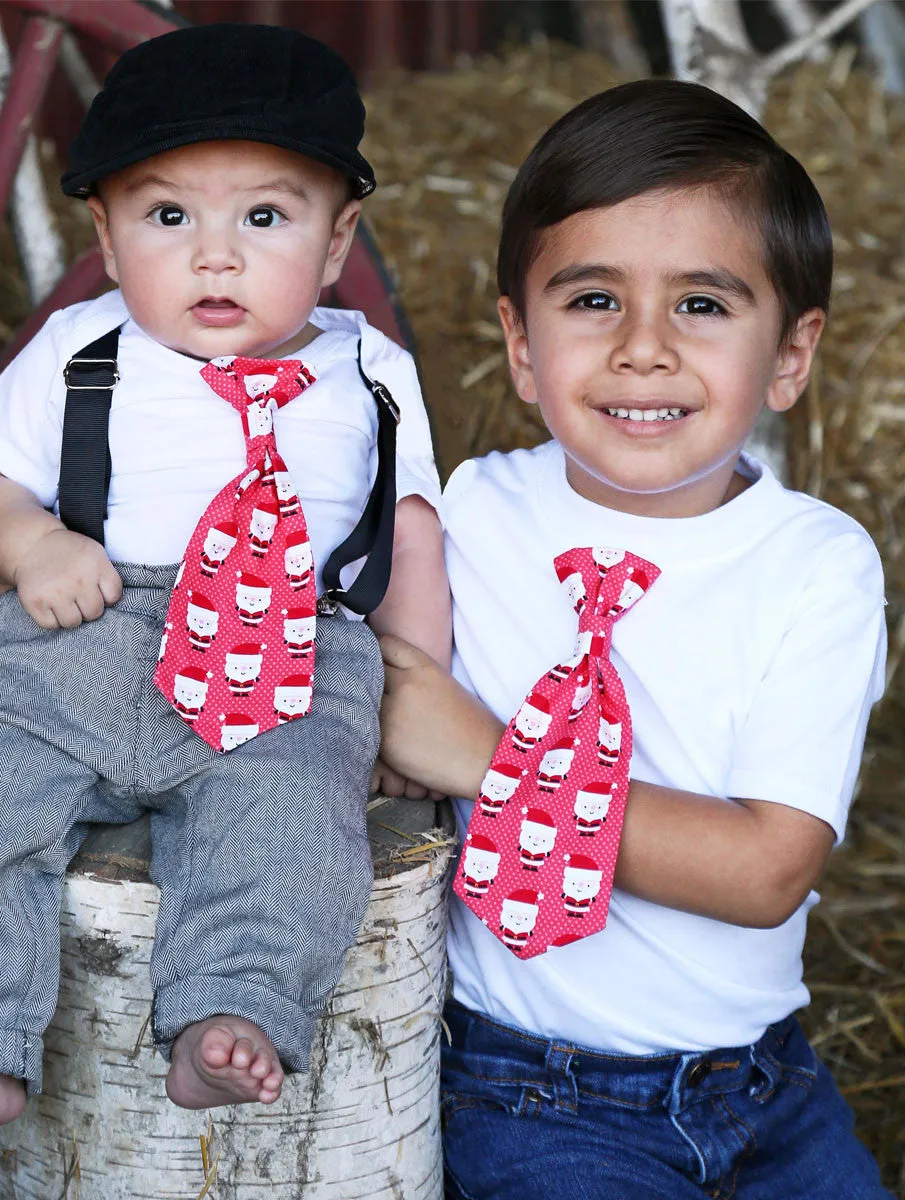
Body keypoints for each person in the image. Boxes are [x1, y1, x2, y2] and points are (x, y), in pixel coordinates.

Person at [0, 23, 450, 1150]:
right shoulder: (77, 347)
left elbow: (404, 537)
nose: (215, 256)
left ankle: (234, 1006)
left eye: (264, 217)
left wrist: (416, 694)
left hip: (289, 657)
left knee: (296, 821)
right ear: (104, 236)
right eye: (167, 217)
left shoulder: (370, 373)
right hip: (78, 635)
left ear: (338, 235)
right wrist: (25, 545)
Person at [375, 80, 891, 1199]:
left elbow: (763, 871)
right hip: (525, 1094)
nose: (642, 349)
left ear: (790, 355)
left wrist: (483, 755)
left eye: (701, 305)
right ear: (518, 342)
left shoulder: (816, 564)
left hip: (768, 1088)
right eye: (592, 300)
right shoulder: (463, 514)